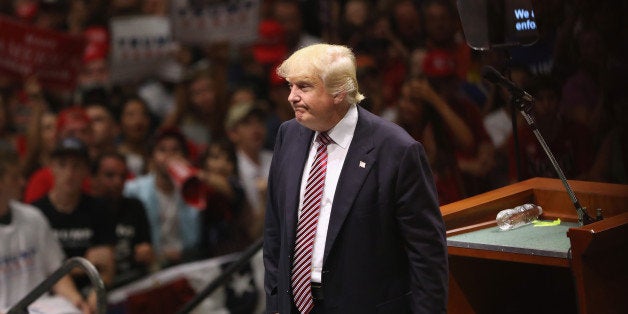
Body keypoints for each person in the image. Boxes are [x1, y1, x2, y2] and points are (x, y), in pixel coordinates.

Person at [263, 44, 448, 313]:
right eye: (290, 87)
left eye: (304, 87)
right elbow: (274, 231)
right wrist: (276, 302)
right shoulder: (288, 134)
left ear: (339, 91)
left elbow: (427, 253)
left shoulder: (397, 150)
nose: (292, 97)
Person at [0, 148, 91, 313]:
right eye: (15, 177)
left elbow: (56, 273)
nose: (23, 183)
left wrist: (76, 300)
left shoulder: (33, 217)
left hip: (42, 307)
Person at [31, 137, 116, 291]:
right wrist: (81, 265)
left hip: (91, 290)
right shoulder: (35, 213)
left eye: (76, 166)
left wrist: (96, 295)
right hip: (46, 298)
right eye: (62, 165)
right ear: (51, 168)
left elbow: (107, 266)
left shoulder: (100, 209)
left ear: (86, 171)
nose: (69, 173)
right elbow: (35, 271)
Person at [123, 128, 200, 268]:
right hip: (149, 265)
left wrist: (194, 174)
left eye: (176, 150)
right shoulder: (133, 190)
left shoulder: (194, 187)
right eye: (162, 150)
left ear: (185, 157)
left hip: (186, 261)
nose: (169, 156)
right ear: (152, 157)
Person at [90, 152, 154, 285]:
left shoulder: (135, 207)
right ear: (94, 178)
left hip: (131, 281)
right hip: (95, 286)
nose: (118, 182)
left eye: (122, 176)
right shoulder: (84, 209)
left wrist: (146, 252)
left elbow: (146, 246)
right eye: (110, 175)